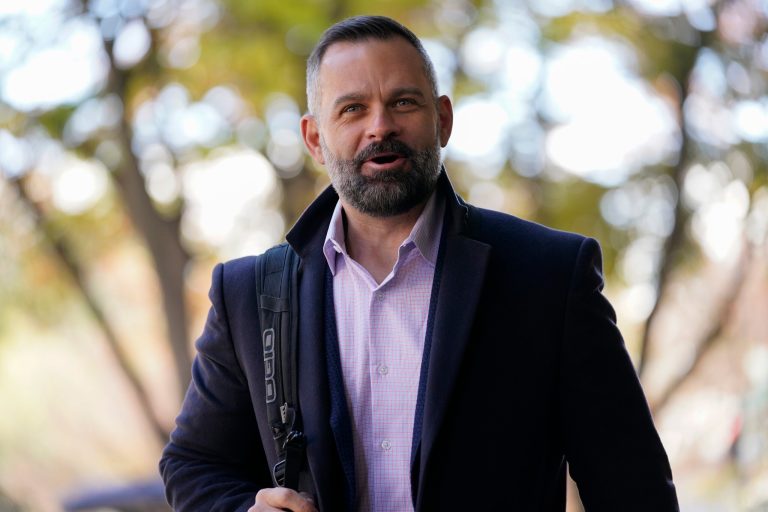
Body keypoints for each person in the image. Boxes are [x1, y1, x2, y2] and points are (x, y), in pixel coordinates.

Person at [159, 15, 679, 512]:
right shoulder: (249, 293)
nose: (380, 126)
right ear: (315, 138)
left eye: (403, 102)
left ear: (443, 119)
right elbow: (194, 463)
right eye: (352, 109)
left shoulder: (549, 275)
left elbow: (633, 487)